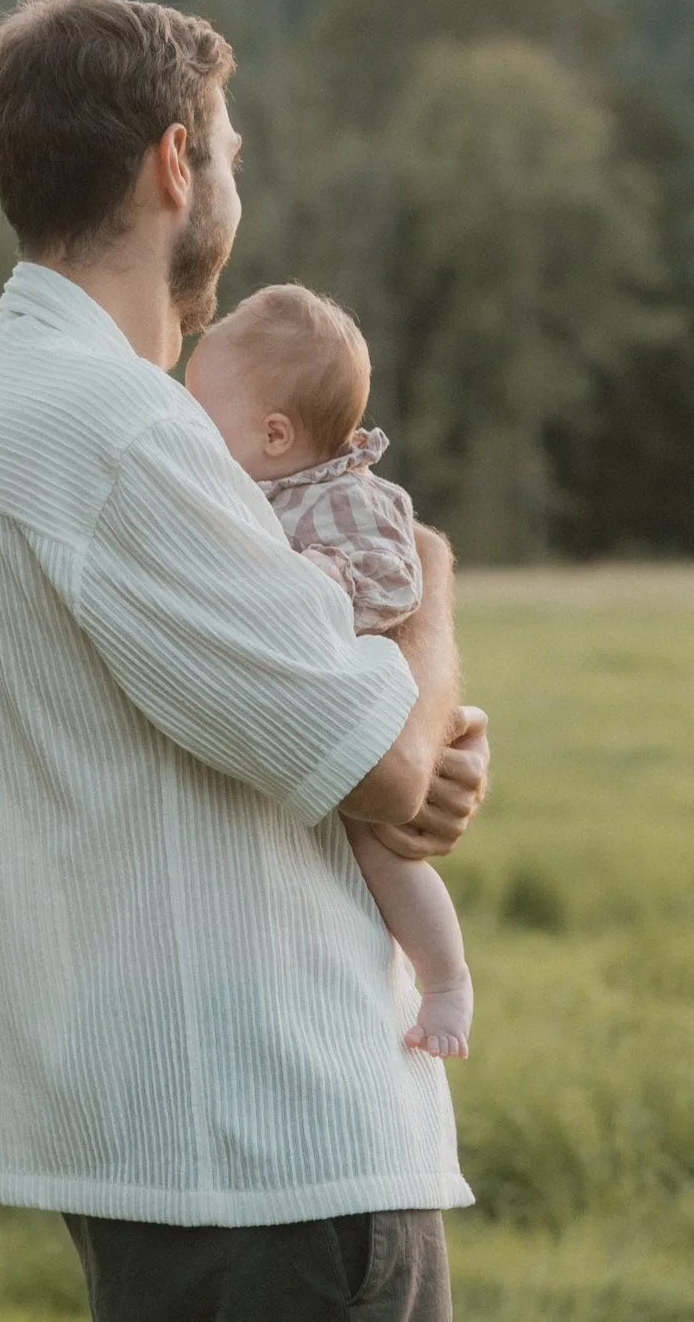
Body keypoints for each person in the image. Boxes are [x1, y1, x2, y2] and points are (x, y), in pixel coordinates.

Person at [0, 0, 490, 1322]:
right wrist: (436, 588)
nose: (236, 171)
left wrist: (400, 729)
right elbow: (394, 763)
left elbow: (363, 746)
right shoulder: (119, 430)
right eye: (230, 145)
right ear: (176, 161)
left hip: (173, 1137)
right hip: (272, 1146)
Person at [184, 284, 472, 1060]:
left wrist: (324, 577)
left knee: (383, 848)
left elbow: (397, 577)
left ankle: (446, 979)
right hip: (315, 711)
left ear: (274, 434)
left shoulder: (346, 500)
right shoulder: (261, 491)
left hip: (360, 699)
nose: (188, 435)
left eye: (202, 417)